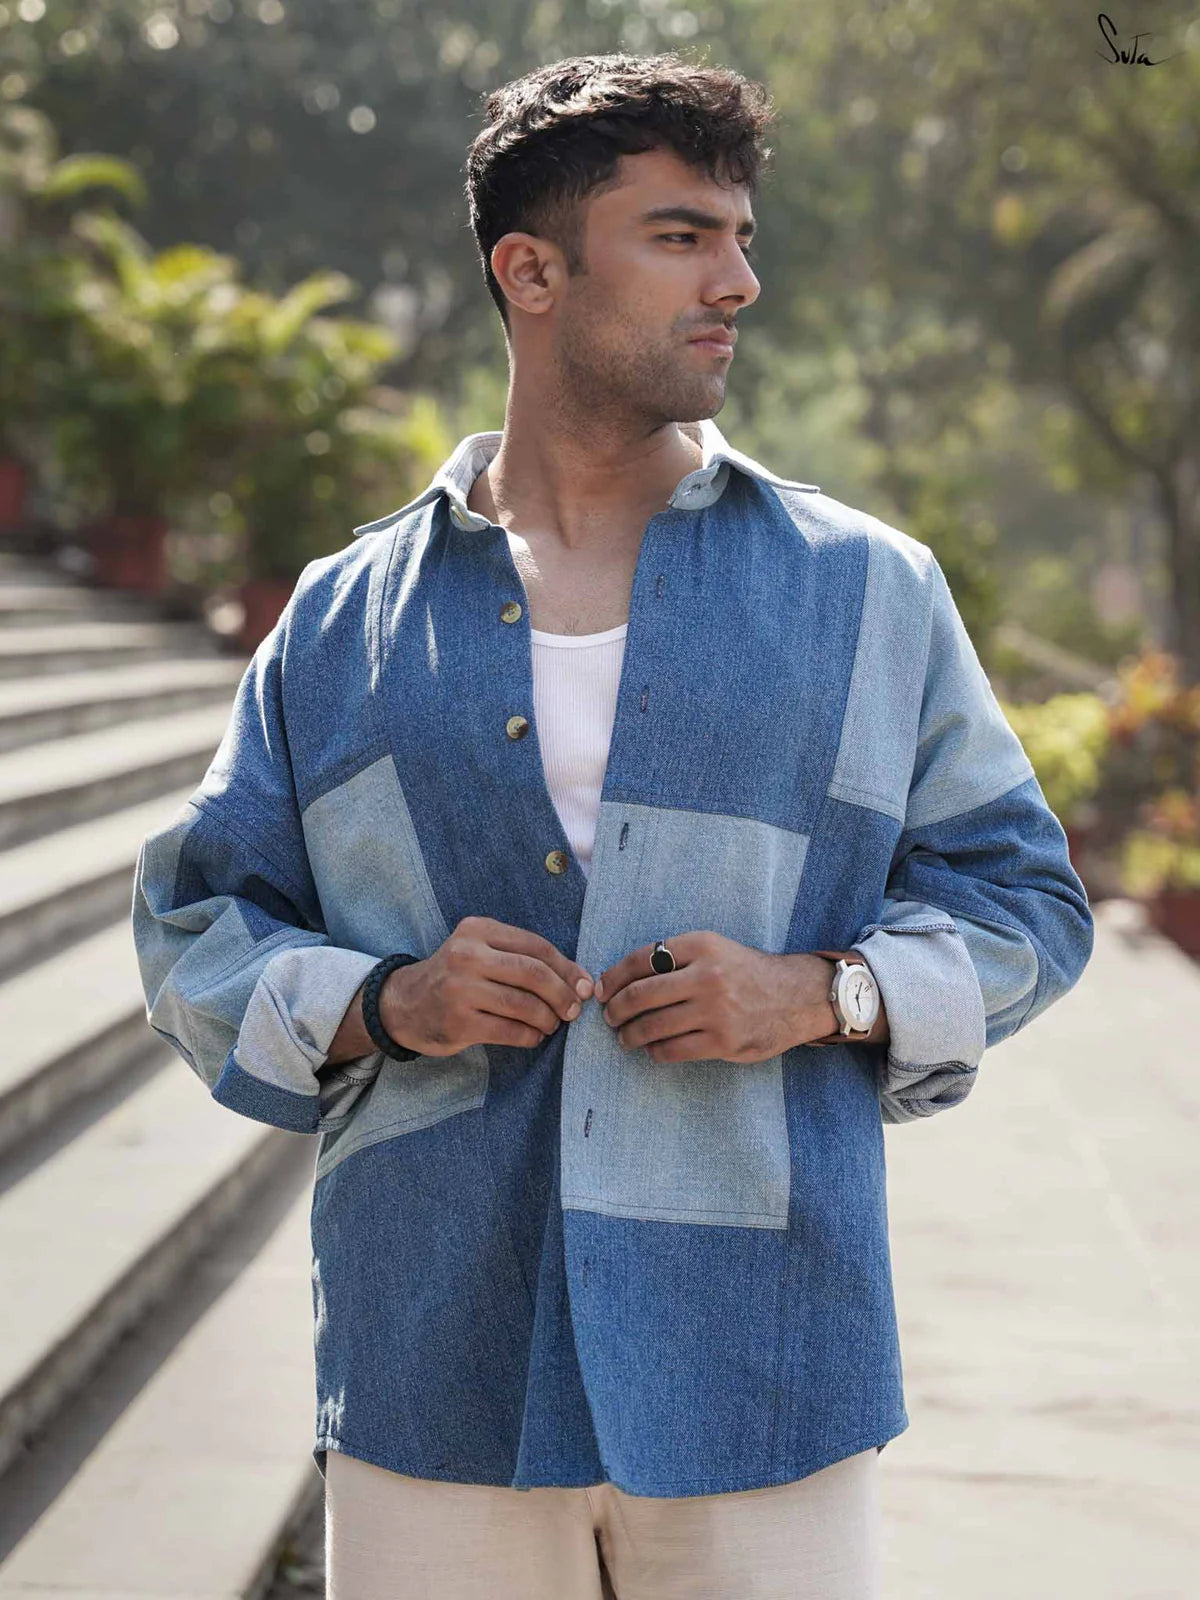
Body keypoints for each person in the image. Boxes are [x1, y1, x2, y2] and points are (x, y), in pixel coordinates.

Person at [131, 51, 1094, 1600]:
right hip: (432, 1353)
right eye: (681, 236)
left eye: (741, 234)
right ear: (531, 270)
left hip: (762, 1357)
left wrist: (824, 991)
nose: (740, 281)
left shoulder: (865, 593)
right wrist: (389, 1002)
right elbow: (195, 928)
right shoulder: (339, 623)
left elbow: (1025, 903)